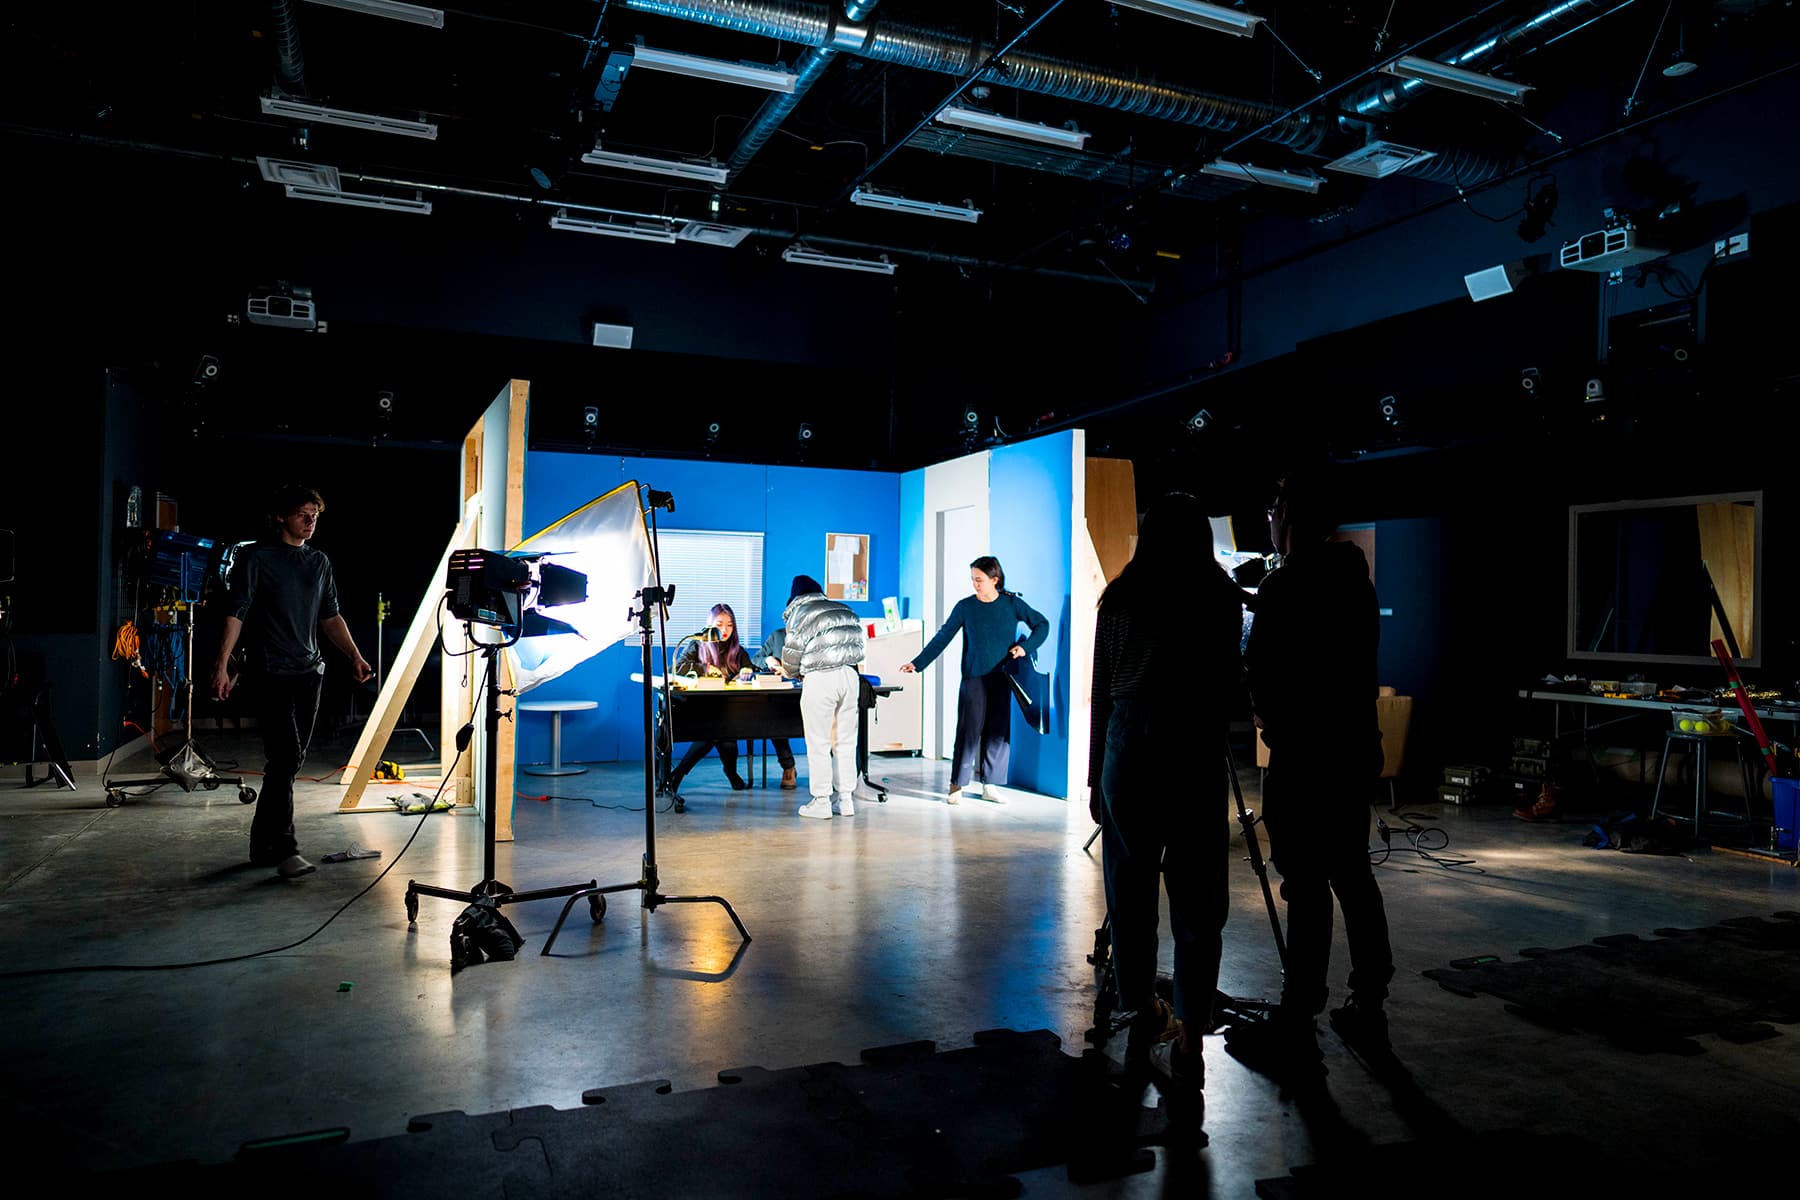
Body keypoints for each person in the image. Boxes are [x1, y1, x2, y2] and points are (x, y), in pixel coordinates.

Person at [1226, 467, 1394, 1079]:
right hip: (1353, 748)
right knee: (1351, 873)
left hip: (1301, 755)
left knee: (1304, 883)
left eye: (1274, 508)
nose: (1268, 518)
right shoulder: (1354, 580)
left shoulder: (1286, 585)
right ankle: (1368, 1003)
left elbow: (1260, 669)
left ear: (1290, 518)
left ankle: (1298, 1018)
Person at [1090, 493, 1246, 1099]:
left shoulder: (1120, 600)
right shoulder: (1219, 597)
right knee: (1199, 896)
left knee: (1129, 888)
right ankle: (1190, 1037)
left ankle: (1141, 1008)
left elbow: (1101, 692)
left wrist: (1092, 779)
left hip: (1128, 745)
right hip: (1192, 747)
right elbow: (1228, 686)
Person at [210, 485, 373, 879]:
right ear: (282, 517)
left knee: (288, 762)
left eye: (315, 514)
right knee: (284, 759)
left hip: (309, 673)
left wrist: (354, 655)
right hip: (269, 673)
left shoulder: (318, 562)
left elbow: (330, 617)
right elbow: (237, 611)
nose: (310, 520)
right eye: (303, 513)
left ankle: (260, 844)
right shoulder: (256, 557)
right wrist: (221, 665)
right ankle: (285, 848)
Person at [900, 556, 1047, 804]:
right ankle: (957, 785)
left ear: (994, 580)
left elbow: (1042, 624)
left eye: (979, 580)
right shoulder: (965, 607)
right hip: (974, 678)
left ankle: (991, 785)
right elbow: (943, 636)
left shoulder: (1012, 604)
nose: (975, 585)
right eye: (972, 580)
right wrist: (918, 663)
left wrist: (1026, 648)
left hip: (1003, 677)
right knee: (968, 730)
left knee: (998, 732)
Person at [780, 575, 866, 820]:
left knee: (819, 742)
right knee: (846, 742)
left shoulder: (801, 611)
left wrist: (791, 672)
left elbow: (792, 651)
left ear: (795, 596)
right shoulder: (844, 609)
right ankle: (846, 800)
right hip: (850, 677)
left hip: (820, 678)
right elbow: (860, 648)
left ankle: (821, 802)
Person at [665, 603, 753, 796]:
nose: (725, 630)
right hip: (697, 708)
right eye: (720, 624)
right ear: (710, 624)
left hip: (726, 710)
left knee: (724, 731)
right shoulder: (697, 644)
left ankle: (678, 775)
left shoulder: (738, 650)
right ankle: (729, 773)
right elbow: (676, 668)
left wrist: (747, 672)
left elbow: (752, 669)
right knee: (720, 732)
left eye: (730, 625)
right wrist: (703, 669)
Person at [750, 582, 811, 791]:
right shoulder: (777, 636)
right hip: (782, 699)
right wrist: (769, 661)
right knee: (775, 722)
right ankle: (788, 767)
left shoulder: (814, 638)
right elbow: (756, 658)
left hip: (811, 696)